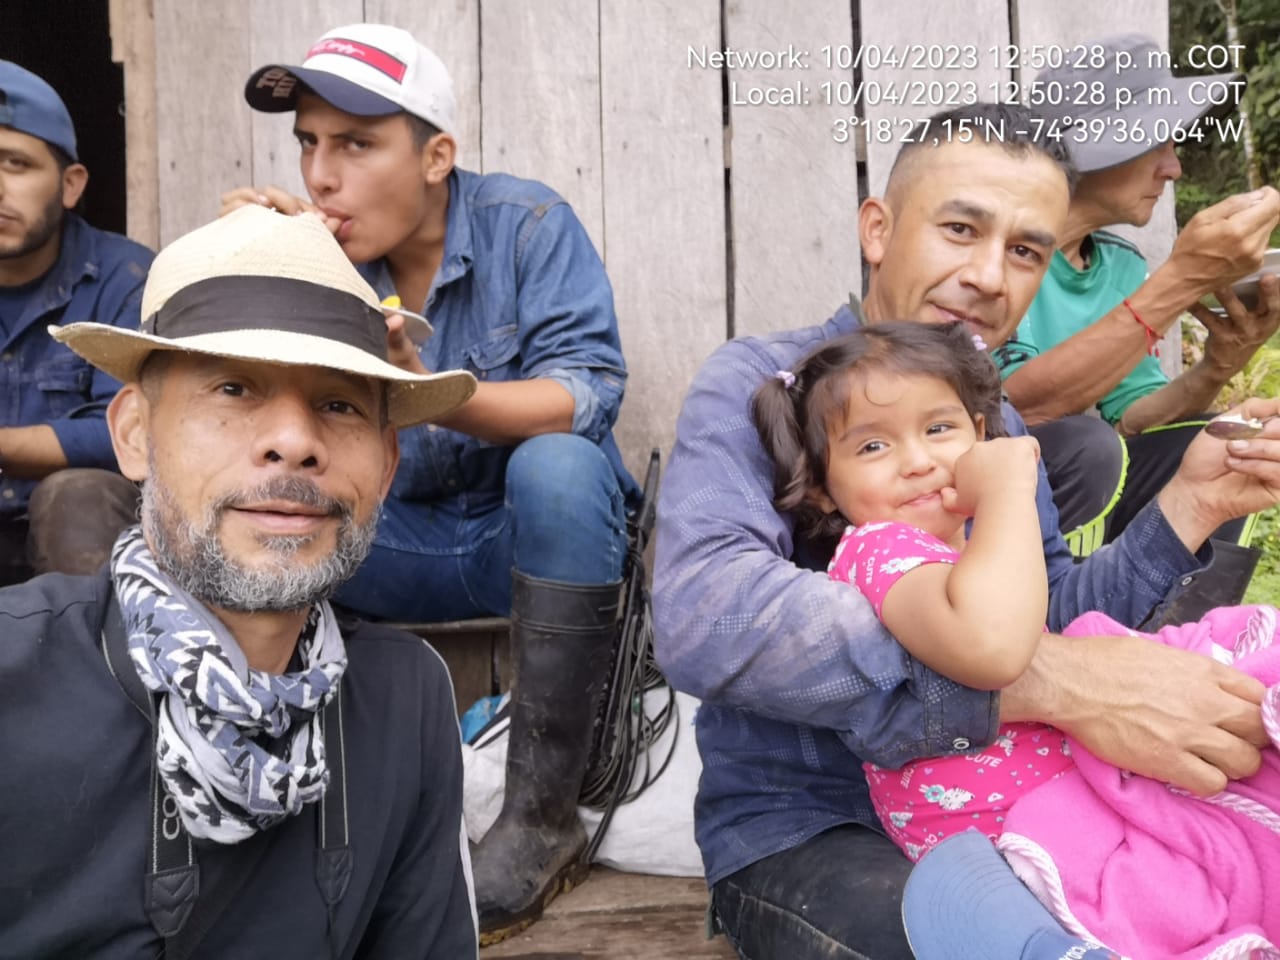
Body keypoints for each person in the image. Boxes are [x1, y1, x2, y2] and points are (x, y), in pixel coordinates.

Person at [654, 101, 1277, 960]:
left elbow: (1046, 610)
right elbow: (707, 615)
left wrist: (1190, 509)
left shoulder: (993, 422)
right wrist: (1046, 683)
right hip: (816, 826)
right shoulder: (766, 384)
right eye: (959, 229)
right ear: (878, 229)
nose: (991, 275)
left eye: (1026, 251)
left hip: (1037, 816)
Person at [220, 23, 640, 941]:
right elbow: (252, 432)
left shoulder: (526, 224)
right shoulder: (310, 250)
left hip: (521, 547)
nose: (322, 176)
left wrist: (428, 392)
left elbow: (585, 396)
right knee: (247, 500)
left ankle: (540, 819)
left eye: (357, 144)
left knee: (562, 467)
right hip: (390, 547)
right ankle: (246, 800)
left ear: (437, 155)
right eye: (309, 144)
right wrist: (254, 274)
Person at [0, 204, 480, 957]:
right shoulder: (13, 676)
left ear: (384, 468)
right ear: (133, 435)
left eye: (337, 403)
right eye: (233, 389)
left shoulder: (404, 702)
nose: (294, 442)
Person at [752, 320, 1280, 959]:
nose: (918, 460)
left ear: (978, 434)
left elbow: (1054, 621)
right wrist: (1008, 487)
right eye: (872, 448)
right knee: (992, 903)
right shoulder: (879, 551)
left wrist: (1194, 503)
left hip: (1069, 808)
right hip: (1015, 839)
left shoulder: (976, 546)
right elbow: (997, 648)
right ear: (821, 486)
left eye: (939, 429)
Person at [993, 34, 1280, 610]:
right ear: (1092, 153)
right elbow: (1013, 408)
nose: (1173, 166)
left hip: (1084, 466)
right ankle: (1059, 625)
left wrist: (1221, 364)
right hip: (993, 485)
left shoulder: (1120, 265)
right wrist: (1182, 281)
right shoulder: (1000, 254)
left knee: (1233, 445)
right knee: (1086, 444)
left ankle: (1185, 634)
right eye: (1158, 142)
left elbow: (1138, 421)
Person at [0, 60, 153, 585]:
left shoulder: (127, 278)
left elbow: (134, 435)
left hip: (84, 543)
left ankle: (94, 665)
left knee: (75, 494)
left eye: (15, 164)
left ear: (70, 185)